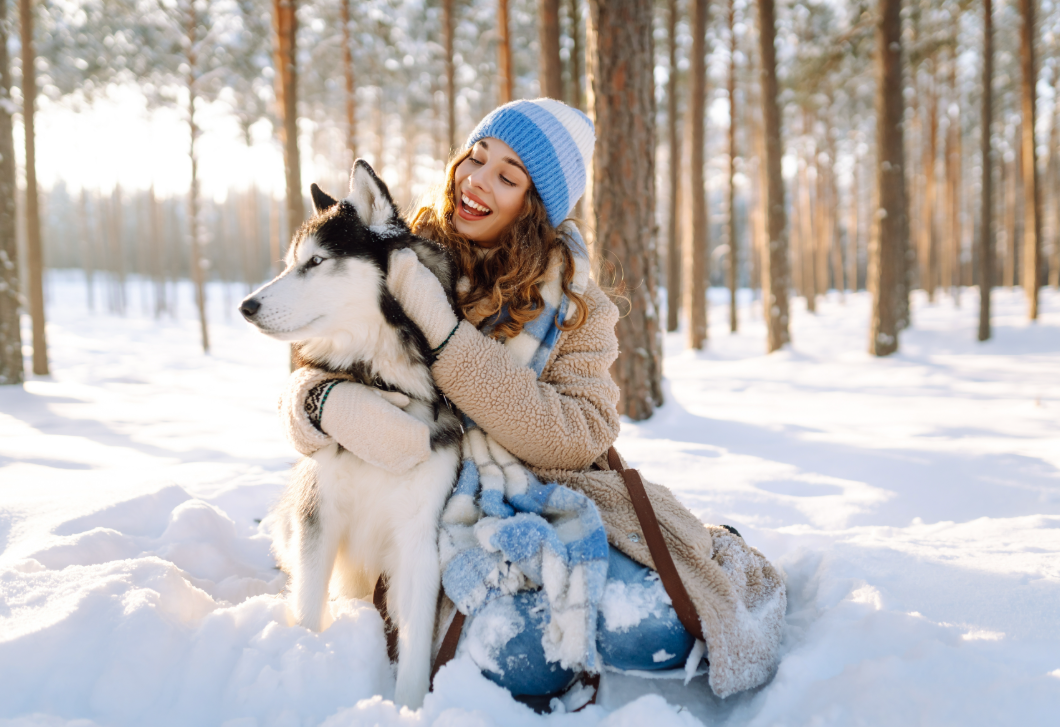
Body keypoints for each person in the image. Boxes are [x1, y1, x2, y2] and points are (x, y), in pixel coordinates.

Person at [278, 99, 785, 702]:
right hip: (438, 511)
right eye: (477, 157)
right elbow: (316, 363)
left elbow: (578, 435)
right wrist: (316, 400)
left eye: (507, 175)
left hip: (550, 492)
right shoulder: (401, 256)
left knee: (654, 628)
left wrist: (445, 337)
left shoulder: (576, 304)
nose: (477, 180)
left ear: (534, 203)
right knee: (523, 660)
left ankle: (699, 557)